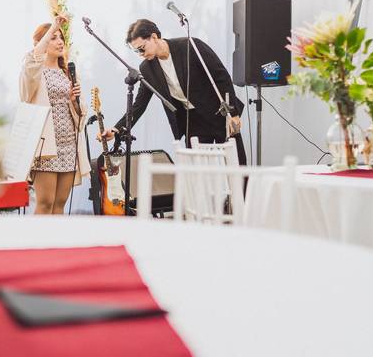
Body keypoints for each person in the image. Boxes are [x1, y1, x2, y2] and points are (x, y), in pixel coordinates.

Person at [99, 18, 247, 164]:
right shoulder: (147, 68)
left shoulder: (190, 46)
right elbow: (139, 105)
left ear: (154, 37)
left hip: (219, 113)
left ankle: (243, 189)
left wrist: (233, 114)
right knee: (196, 174)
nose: (140, 54)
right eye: (136, 51)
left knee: (237, 166)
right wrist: (117, 129)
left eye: (141, 48)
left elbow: (221, 77)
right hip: (193, 121)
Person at [21, 15, 90, 214]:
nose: (59, 41)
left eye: (61, 37)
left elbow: (81, 111)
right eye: (53, 37)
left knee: (59, 203)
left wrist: (74, 100)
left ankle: (57, 244)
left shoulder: (66, 72)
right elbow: (33, 59)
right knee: (45, 203)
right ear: (41, 43)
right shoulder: (34, 71)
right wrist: (54, 26)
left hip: (68, 145)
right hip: (47, 147)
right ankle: (37, 244)